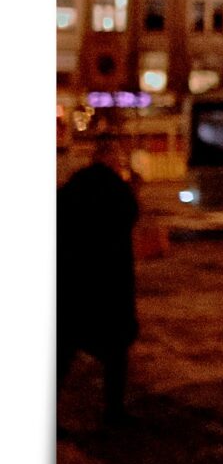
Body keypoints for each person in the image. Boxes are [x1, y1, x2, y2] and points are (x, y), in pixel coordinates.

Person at [58, 137, 141, 424]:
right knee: (115, 353)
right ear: (113, 161)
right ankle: (113, 410)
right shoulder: (118, 191)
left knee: (61, 355)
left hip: (73, 284)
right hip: (109, 285)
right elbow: (131, 216)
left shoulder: (71, 189)